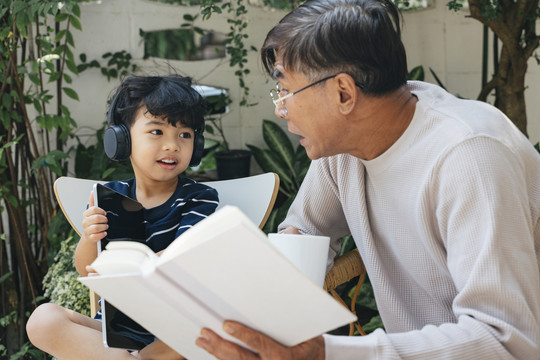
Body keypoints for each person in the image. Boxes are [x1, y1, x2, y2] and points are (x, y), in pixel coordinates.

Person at [194, 0, 540, 359]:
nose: (280, 109)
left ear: (343, 92)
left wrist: (324, 353)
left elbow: (505, 341)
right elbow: (305, 231)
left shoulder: (469, 156)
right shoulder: (346, 147)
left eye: (286, 92)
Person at [27, 74, 219, 360]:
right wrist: (90, 237)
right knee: (43, 319)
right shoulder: (110, 197)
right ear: (122, 139)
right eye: (157, 132)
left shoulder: (199, 197)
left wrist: (136, 267)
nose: (172, 145)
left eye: (185, 134)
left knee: (207, 330)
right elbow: (87, 269)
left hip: (172, 331)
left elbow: (185, 260)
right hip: (115, 329)